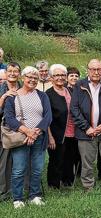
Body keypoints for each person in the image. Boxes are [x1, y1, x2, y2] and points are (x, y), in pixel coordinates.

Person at [4, 66, 52, 208]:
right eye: (29, 77)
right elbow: (9, 118)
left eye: (35, 78)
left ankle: (34, 195)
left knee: (37, 169)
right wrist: (27, 131)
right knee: (19, 169)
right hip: (21, 138)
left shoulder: (42, 96)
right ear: (23, 78)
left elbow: (48, 116)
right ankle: (17, 199)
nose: (32, 80)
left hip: (39, 137)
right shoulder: (12, 97)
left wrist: (35, 132)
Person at [70, 59, 101, 190]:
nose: (96, 72)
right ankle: (88, 186)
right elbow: (74, 109)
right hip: (86, 132)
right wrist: (86, 127)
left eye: (99, 69)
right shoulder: (79, 85)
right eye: (93, 69)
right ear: (88, 70)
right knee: (87, 163)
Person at [46, 64, 78, 188]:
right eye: (57, 75)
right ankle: (54, 185)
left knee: (70, 158)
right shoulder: (48, 95)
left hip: (73, 132)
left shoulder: (71, 91)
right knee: (56, 160)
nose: (60, 77)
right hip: (57, 133)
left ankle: (68, 182)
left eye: (62, 75)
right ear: (51, 78)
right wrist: (50, 137)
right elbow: (46, 118)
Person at [0, 62, 22, 201]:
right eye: (10, 71)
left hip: (21, 129)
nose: (13, 73)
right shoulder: (1, 88)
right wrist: (4, 96)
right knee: (4, 162)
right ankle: (3, 191)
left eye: (16, 71)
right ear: (6, 73)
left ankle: (21, 189)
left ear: (19, 73)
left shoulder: (23, 87)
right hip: (4, 130)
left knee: (20, 161)